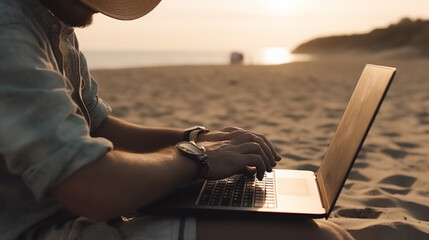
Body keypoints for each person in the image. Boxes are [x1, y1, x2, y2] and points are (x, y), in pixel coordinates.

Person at [0, 0, 355, 239]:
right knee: (315, 237)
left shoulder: (49, 17)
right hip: (47, 229)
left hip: (78, 216)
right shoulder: (10, 32)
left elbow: (98, 124)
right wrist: (196, 158)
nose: (99, 13)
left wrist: (198, 138)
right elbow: (92, 188)